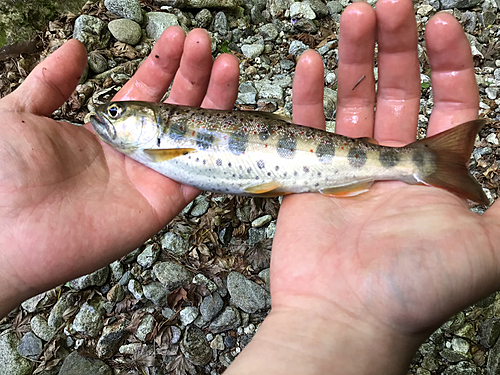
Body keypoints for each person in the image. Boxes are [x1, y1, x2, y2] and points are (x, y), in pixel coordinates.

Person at [0, 0, 497, 373]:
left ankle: (419, 162)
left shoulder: (159, 146)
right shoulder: (151, 147)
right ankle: (414, 162)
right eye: (113, 113)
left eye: (116, 114)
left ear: (150, 123)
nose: (105, 118)